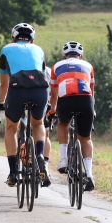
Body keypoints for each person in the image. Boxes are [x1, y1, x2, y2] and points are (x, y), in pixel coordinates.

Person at [0, 23, 51, 187]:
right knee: (38, 123)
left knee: (11, 128)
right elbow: (43, 71)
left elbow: (4, 84)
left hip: (17, 90)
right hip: (40, 90)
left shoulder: (6, 49)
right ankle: (40, 155)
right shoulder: (39, 50)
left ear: (13, 37)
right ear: (32, 40)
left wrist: (0, 103)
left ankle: (12, 173)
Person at [47, 41, 96, 191]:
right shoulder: (89, 66)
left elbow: (54, 95)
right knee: (86, 138)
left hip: (66, 99)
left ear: (64, 55)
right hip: (85, 100)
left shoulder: (56, 67)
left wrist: (52, 112)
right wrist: (92, 109)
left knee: (63, 124)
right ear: (81, 56)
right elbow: (91, 90)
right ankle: (89, 173)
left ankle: (63, 160)